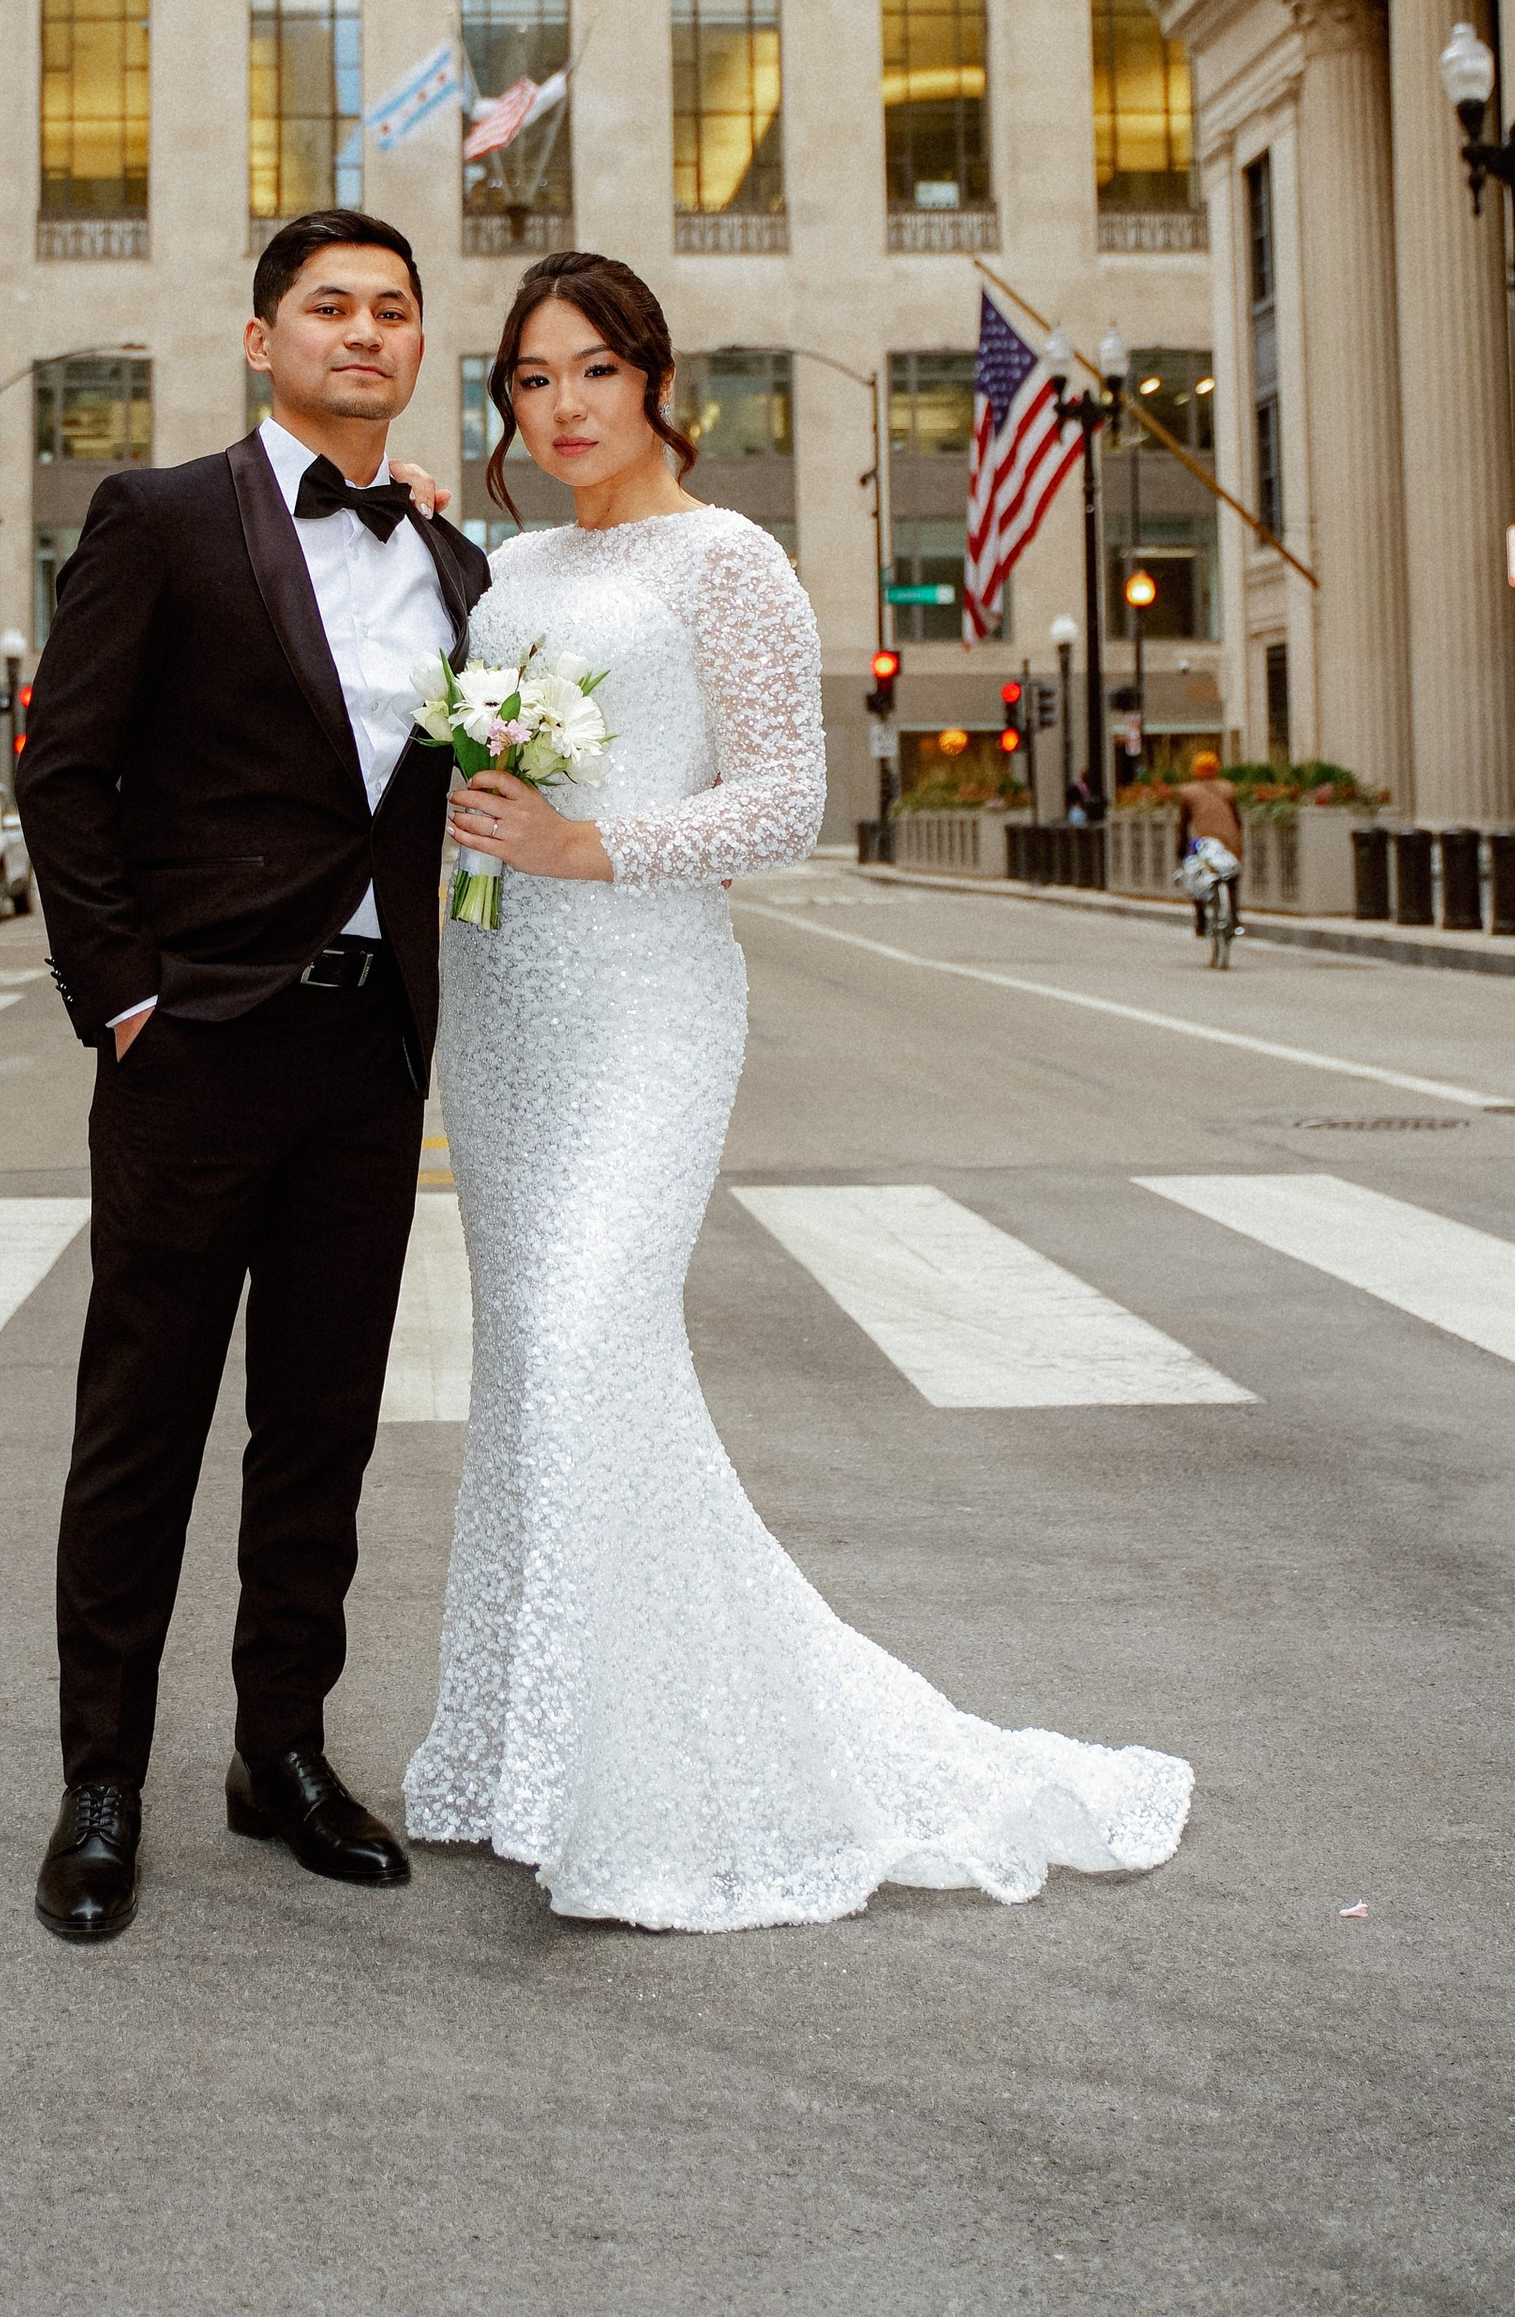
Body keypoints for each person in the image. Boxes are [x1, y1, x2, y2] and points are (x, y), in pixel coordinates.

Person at [402, 251, 1194, 1930]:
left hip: (647, 1007)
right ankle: (535, 1751)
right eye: (530, 384)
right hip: (505, 1010)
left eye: (592, 373)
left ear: (655, 377)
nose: (563, 410)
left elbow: (786, 805)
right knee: (540, 1382)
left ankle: (667, 1783)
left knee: (590, 1341)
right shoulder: (510, 569)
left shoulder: (731, 559)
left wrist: (587, 841)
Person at [15, 210, 491, 1947]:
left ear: (418, 346)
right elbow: (64, 774)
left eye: (391, 312)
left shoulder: (455, 567)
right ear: (260, 337)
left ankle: (278, 1751)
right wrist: (124, 998)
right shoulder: (158, 518)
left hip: (369, 1058)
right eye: (328, 307)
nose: (362, 334)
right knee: (138, 1427)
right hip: (196, 1047)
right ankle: (99, 1785)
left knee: (321, 1430)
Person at [1172, 750, 1246, 941]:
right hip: (1230, 843)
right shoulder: (1228, 789)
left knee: (1195, 875)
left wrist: (1180, 850)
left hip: (1204, 843)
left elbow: (1182, 824)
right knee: (1231, 880)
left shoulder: (1188, 792)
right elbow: (1237, 821)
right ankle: (1235, 919)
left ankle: (1201, 921)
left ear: (1195, 770)